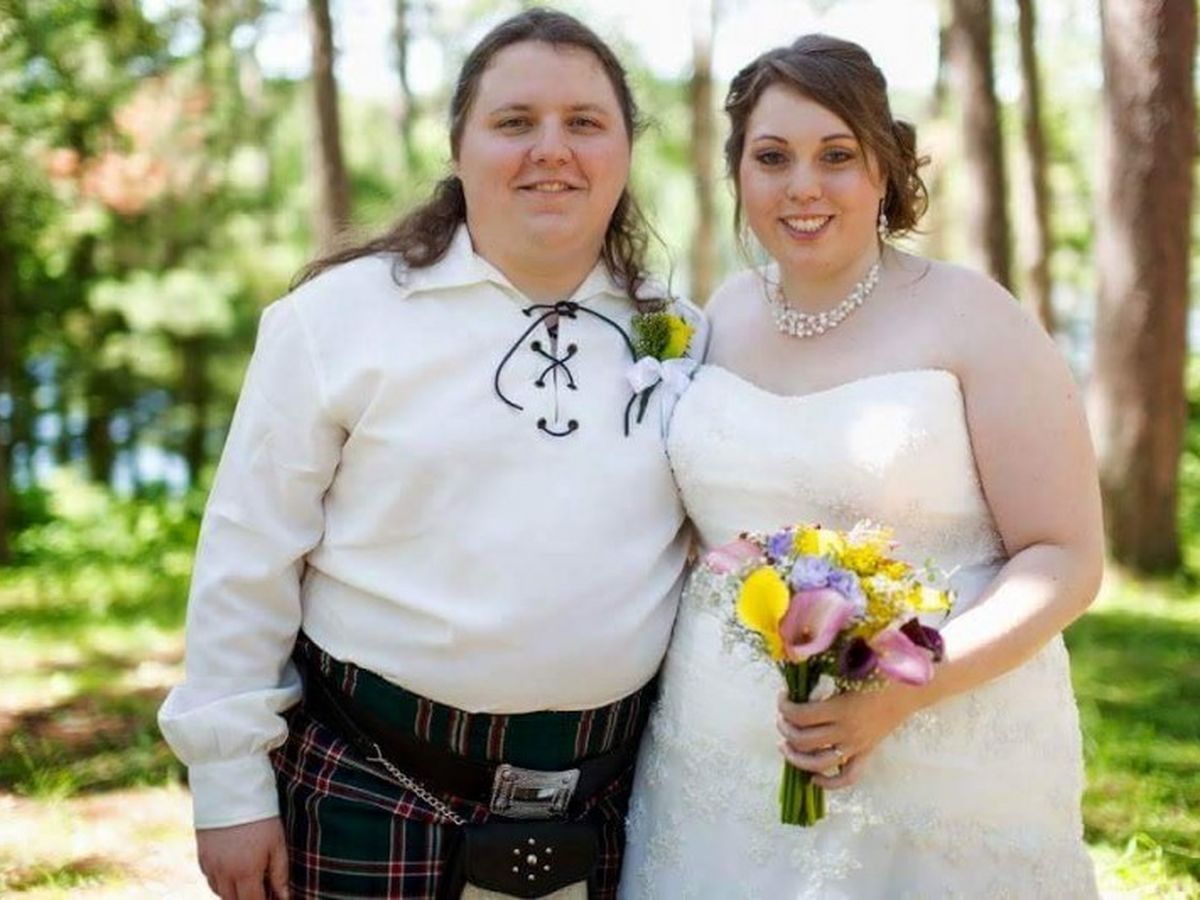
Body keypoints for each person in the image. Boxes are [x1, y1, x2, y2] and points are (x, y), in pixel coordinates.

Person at [157, 9, 705, 900]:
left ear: (625, 149)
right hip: (373, 781)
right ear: (458, 148)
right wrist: (229, 788)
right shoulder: (335, 320)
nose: (552, 149)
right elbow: (247, 557)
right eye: (514, 121)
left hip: (609, 794)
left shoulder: (678, 333)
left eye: (585, 122)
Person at [620, 34, 1102, 898]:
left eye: (836, 155)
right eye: (773, 157)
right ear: (739, 174)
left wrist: (905, 691)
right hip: (715, 760)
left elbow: (1064, 558)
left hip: (934, 757)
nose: (802, 185)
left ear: (884, 167)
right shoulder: (721, 315)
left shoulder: (974, 318)